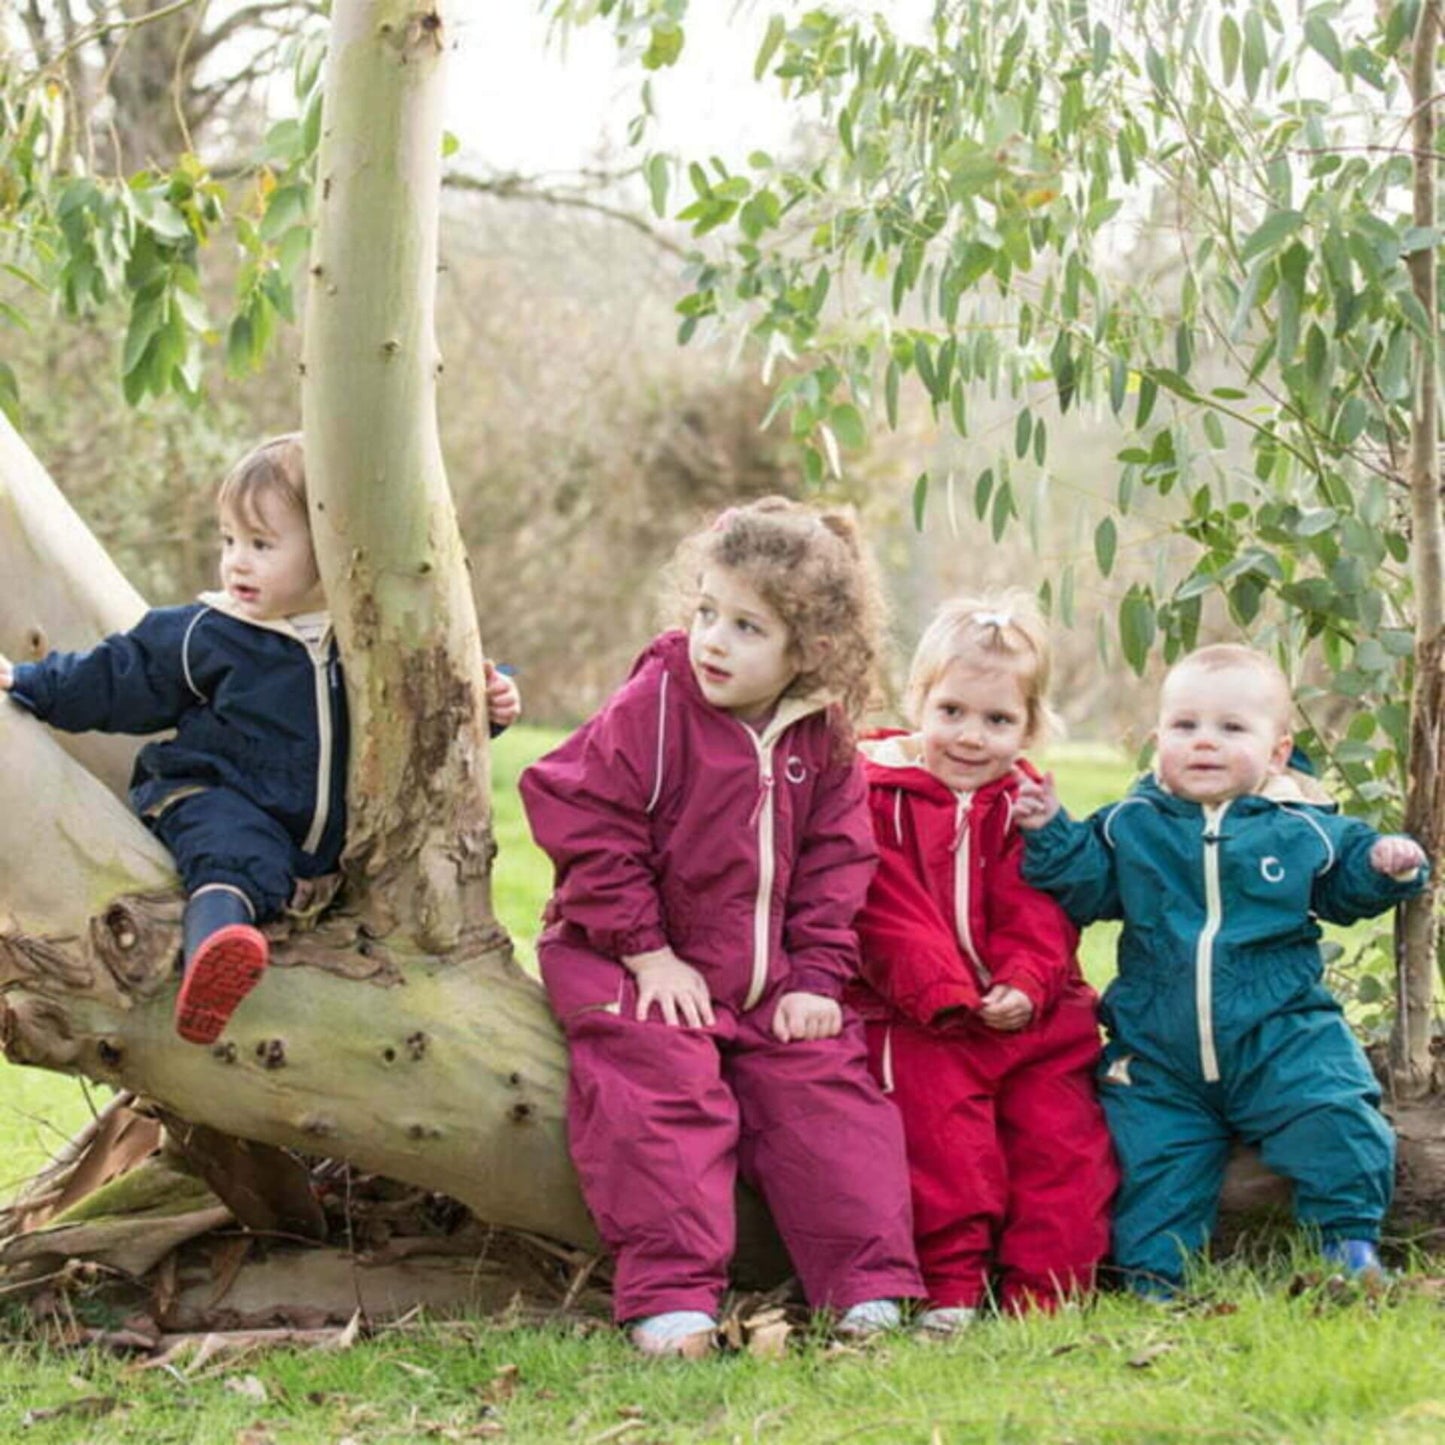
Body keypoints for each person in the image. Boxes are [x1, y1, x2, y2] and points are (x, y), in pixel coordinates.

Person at [520, 498, 924, 1357]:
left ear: (806, 649)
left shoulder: (821, 735)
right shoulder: (656, 704)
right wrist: (646, 951)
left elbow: (836, 861)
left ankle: (864, 1283)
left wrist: (815, 976)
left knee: (829, 1096)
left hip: (766, 972)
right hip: (628, 960)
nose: (712, 640)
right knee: (660, 1093)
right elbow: (580, 811)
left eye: (746, 626)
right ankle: (671, 1297)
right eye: (706, 611)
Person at [2, 432, 521, 1046]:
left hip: (322, 838)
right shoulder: (209, 631)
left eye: (261, 544)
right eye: (229, 541)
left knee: (289, 869)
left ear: (333, 547)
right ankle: (212, 954)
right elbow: (119, 677)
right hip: (215, 791)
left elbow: (431, 712)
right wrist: (30, 680)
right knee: (232, 850)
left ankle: (247, 933)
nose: (237, 562)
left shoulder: (372, 639)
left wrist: (492, 703)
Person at [1014, 643, 1427, 1293]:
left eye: (1230, 728)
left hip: (1279, 1030)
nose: (1203, 742)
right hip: (1158, 1048)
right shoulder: (1132, 823)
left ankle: (1346, 1241)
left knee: (1336, 1114)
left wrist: (1385, 865)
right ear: (1157, 741)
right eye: (1184, 726)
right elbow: (1085, 884)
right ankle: (1152, 1274)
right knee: (1147, 1157)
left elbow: (1346, 880)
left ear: (1277, 752)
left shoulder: (1299, 826)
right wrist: (1049, 831)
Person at [848, 594, 1116, 1332]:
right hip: (921, 1011)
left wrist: (1027, 984)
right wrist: (944, 992)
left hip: (1033, 1015)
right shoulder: (874, 798)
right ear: (918, 703)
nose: (970, 737)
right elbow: (881, 908)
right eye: (952, 711)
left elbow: (1042, 911)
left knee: (1063, 1145)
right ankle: (950, 1284)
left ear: (1029, 725)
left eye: (997, 721)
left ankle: (1045, 1294)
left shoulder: (1023, 809)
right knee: (938, 1139)